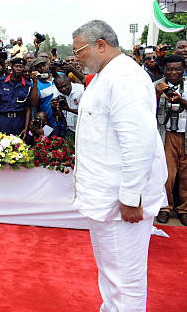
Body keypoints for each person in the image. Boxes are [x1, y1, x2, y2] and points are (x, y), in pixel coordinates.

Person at [71, 20, 167, 311]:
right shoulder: (106, 75)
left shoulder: (125, 77)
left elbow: (138, 143)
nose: (77, 58)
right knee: (111, 275)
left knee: (126, 280)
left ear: (101, 44)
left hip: (121, 202)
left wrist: (130, 198)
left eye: (80, 51)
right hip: (106, 198)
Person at [153, 54, 187, 225]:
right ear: (164, 70)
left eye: (178, 69)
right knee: (167, 175)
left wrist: (181, 100)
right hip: (166, 135)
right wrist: (157, 95)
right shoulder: (156, 86)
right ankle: (164, 207)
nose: (174, 72)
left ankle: (184, 210)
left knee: (185, 175)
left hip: (185, 134)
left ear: (184, 69)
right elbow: (144, 107)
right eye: (170, 69)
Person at [0, 57, 32, 138]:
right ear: (11, 66)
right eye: (16, 66)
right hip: (3, 120)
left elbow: (28, 108)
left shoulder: (27, 85)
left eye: (21, 67)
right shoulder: (1, 82)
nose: (19, 69)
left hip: (19, 122)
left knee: (19, 147)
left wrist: (26, 128)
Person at [45, 74, 83, 141]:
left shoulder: (81, 90)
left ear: (69, 81)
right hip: (70, 129)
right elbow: (58, 116)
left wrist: (69, 109)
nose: (63, 89)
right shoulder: (57, 92)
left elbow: (86, 112)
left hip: (83, 129)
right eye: (59, 88)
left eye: (65, 86)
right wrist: (54, 107)